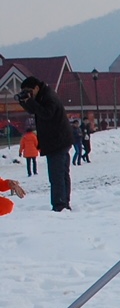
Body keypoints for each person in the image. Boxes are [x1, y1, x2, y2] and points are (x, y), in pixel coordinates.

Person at [16, 77, 71, 211]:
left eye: (28, 91)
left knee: (57, 175)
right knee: (62, 174)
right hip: (59, 140)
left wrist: (29, 101)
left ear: (36, 88)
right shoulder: (43, 96)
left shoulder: (49, 97)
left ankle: (60, 205)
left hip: (57, 141)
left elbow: (46, 113)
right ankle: (63, 202)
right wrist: (24, 102)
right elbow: (34, 111)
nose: (28, 94)